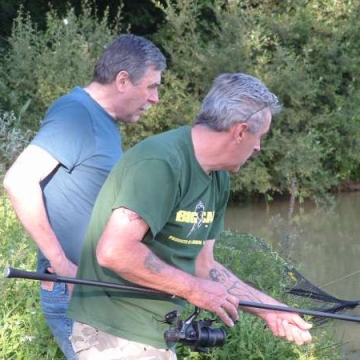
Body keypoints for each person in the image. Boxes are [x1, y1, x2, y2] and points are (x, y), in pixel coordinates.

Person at [67, 72, 313, 359]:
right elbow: (114, 251)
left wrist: (270, 309)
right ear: (241, 131)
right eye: (260, 137)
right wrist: (194, 290)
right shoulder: (160, 163)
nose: (259, 147)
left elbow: (203, 264)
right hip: (114, 332)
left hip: (155, 334)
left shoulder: (219, 177)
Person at [3, 34, 166, 359]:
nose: (156, 98)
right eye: (151, 86)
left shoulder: (102, 121)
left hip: (98, 292)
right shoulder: (77, 114)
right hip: (76, 293)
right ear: (122, 80)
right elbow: (18, 181)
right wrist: (62, 264)